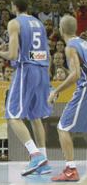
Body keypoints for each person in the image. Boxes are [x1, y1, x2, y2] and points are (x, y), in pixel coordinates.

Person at [0, 0, 51, 176]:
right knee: (35, 117)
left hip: (26, 69)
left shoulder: (14, 23)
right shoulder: (39, 23)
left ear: (14, 6)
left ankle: (34, 155)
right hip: (42, 69)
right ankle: (43, 159)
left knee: (13, 116)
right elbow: (46, 51)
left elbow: (12, 55)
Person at [48, 15, 86, 182]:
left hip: (85, 88)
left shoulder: (71, 46)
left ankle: (71, 170)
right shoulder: (84, 42)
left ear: (61, 30)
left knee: (63, 127)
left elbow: (76, 74)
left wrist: (56, 90)